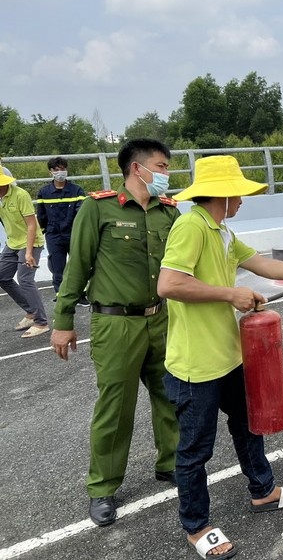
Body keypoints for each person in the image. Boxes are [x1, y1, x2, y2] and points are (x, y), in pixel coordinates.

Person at [157, 155, 283, 560]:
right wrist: (231, 294)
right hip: (196, 367)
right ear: (221, 195)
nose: (243, 199)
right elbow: (169, 284)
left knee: (248, 428)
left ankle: (263, 491)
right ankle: (197, 526)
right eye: (238, 193)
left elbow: (260, 263)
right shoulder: (190, 226)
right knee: (194, 450)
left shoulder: (221, 229)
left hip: (227, 357)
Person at [50, 138, 180, 527]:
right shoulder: (99, 207)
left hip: (161, 318)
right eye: (161, 166)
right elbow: (79, 266)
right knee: (115, 407)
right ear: (136, 169)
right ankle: (103, 487)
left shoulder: (169, 212)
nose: (166, 174)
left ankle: (170, 464)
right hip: (116, 323)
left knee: (170, 396)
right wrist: (63, 321)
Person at [0, 171, 50, 338]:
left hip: (31, 241)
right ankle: (31, 312)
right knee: (2, 276)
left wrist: (29, 253)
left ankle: (41, 322)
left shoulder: (21, 195)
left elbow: (31, 225)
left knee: (25, 279)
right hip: (13, 242)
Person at [36, 157, 87, 302]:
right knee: (57, 266)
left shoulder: (76, 190)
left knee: (77, 265)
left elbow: (82, 213)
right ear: (50, 172)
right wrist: (42, 233)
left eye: (63, 169)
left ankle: (81, 294)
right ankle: (60, 295)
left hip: (73, 233)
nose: (60, 172)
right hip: (53, 235)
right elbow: (41, 215)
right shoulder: (44, 192)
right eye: (56, 170)